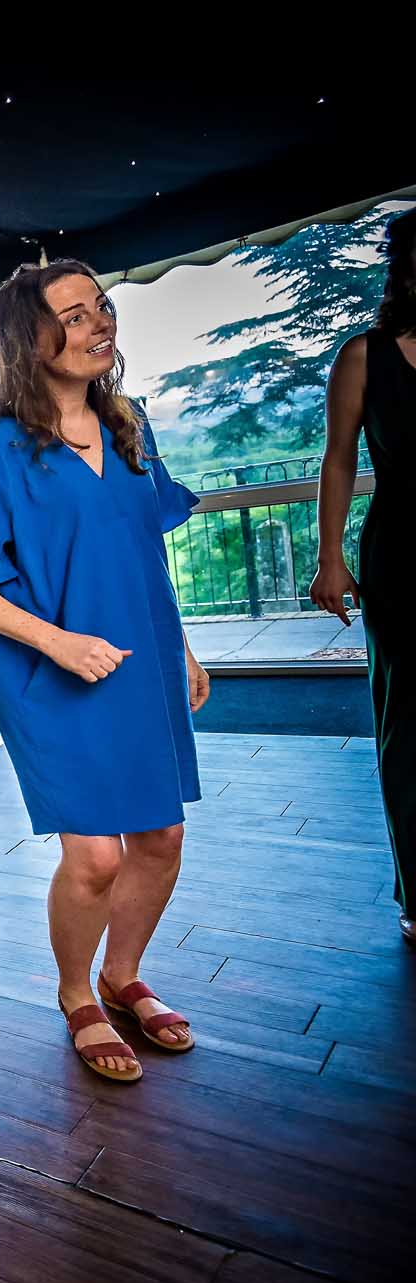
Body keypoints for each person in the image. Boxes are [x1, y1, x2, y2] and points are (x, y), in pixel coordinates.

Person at [0, 259, 207, 1082]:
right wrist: (57, 642)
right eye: (74, 316)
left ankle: (125, 976)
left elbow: (143, 549)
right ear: (29, 339)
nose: (97, 325)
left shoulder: (129, 425)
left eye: (101, 309)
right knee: (95, 857)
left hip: (140, 658)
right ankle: (78, 992)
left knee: (160, 836)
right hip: (52, 673)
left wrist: (180, 647)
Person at [314, 208, 413, 944]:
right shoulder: (363, 357)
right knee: (408, 726)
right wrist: (330, 556)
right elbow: (340, 458)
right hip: (404, 553)